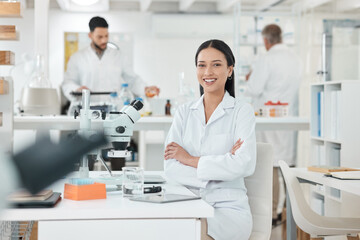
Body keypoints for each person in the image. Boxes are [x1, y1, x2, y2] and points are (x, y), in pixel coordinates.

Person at [164, 39, 256, 240]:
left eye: (216, 65)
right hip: (188, 202)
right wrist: (223, 164)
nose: (208, 72)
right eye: (202, 65)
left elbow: (244, 164)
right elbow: (170, 166)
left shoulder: (242, 111)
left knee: (195, 234)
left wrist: (190, 159)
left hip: (228, 209)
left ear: (230, 70)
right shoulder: (184, 112)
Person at [245, 24, 302, 225]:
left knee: (271, 164)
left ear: (266, 41)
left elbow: (253, 88)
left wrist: (249, 78)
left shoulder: (266, 59)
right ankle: (291, 212)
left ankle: (271, 214)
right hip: (290, 116)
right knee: (288, 163)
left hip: (269, 116)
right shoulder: (295, 59)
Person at [61, 16, 159, 103]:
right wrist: (77, 89)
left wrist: (145, 89)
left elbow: (132, 80)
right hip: (88, 109)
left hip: (114, 109)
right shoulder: (77, 58)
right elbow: (68, 83)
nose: (104, 40)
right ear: (90, 35)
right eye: (99, 37)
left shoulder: (118, 56)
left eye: (106, 36)